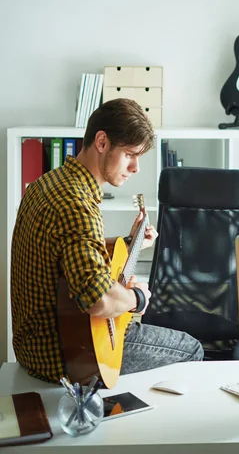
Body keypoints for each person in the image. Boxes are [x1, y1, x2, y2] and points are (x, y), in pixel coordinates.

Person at [11, 98, 203, 383]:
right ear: (101, 142)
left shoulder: (49, 183)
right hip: (66, 356)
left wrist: (129, 241)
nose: (136, 167)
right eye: (129, 154)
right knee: (192, 349)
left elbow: (69, 248)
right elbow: (98, 300)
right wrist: (137, 299)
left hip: (33, 347)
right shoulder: (77, 204)